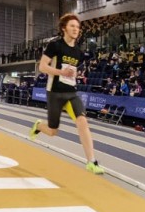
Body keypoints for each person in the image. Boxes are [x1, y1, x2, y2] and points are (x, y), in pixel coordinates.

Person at [29, 13, 104, 174]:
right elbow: (42, 67)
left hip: (71, 93)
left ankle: (92, 161)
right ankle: (38, 126)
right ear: (64, 28)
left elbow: (72, 71)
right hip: (54, 93)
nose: (76, 29)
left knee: (83, 122)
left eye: (77, 27)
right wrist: (60, 72)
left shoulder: (78, 52)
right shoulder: (55, 46)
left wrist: (74, 75)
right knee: (52, 131)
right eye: (72, 26)